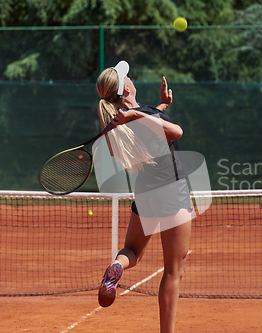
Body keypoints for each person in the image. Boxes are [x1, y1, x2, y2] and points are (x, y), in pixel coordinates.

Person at [96, 60, 194, 333]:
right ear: (126, 89)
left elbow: (148, 120)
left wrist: (160, 107)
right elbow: (175, 132)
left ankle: (117, 265)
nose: (131, 79)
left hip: (145, 193)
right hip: (172, 191)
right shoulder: (136, 117)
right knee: (174, 269)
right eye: (128, 77)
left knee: (133, 252)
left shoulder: (116, 125)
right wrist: (141, 114)